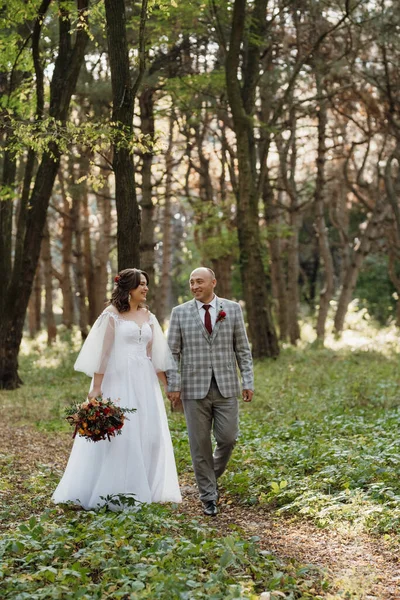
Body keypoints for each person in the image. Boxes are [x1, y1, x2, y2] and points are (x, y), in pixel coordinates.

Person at [52, 268, 182, 510]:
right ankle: (114, 491)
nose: (145, 288)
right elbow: (103, 353)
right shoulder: (112, 315)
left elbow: (154, 355)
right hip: (118, 380)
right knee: (123, 435)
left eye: (146, 284)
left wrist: (168, 386)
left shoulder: (148, 315)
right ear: (128, 288)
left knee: (150, 434)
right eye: (141, 284)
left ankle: (145, 487)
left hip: (144, 381)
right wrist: (97, 387)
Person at [167, 267, 253, 516]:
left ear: (213, 282)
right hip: (193, 388)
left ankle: (208, 477)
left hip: (226, 385)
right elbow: (171, 352)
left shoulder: (233, 309)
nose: (194, 286)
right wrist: (173, 385)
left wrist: (247, 381)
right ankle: (208, 496)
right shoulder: (179, 313)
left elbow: (243, 349)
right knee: (199, 443)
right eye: (191, 282)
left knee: (228, 438)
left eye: (199, 282)